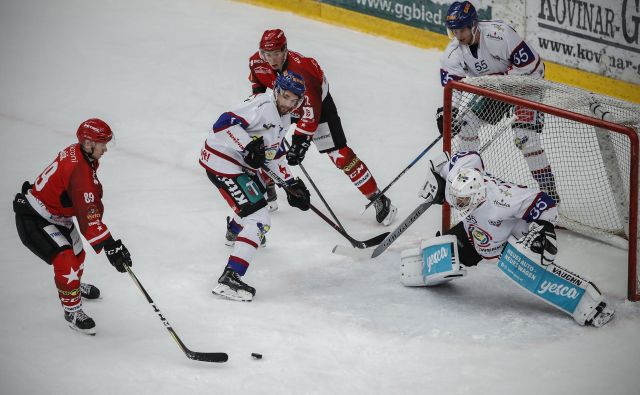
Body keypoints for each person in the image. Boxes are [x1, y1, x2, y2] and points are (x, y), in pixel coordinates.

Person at [398, 150, 614, 327]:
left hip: (508, 243)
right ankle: (422, 262)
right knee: (446, 253)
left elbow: (545, 203)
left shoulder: (503, 198)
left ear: (478, 194)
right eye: (457, 198)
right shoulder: (461, 175)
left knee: (531, 270)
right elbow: (464, 158)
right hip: (474, 234)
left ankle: (590, 304)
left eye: (463, 200)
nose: (458, 203)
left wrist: (545, 231)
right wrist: (437, 178)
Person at [248, 29, 397, 225]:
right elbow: (258, 84)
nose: (272, 59)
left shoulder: (304, 71)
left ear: (285, 50)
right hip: (282, 101)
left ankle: (378, 198)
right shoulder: (257, 62)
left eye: (276, 53)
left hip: (315, 104)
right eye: (268, 54)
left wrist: (299, 143)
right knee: (262, 141)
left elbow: (311, 113)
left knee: (340, 156)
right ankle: (267, 186)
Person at [13, 118, 133, 335]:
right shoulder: (79, 171)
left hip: (55, 215)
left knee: (78, 255)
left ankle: (74, 287)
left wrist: (108, 242)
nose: (105, 148)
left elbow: (84, 204)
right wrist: (111, 246)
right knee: (66, 260)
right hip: (35, 218)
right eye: (101, 143)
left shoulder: (79, 153)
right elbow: (88, 215)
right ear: (88, 144)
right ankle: (72, 310)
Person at [199, 71, 311, 302]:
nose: (289, 104)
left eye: (294, 100)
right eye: (286, 97)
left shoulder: (285, 118)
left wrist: (291, 184)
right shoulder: (262, 105)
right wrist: (249, 146)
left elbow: (272, 155)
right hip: (223, 161)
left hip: (237, 164)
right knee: (259, 217)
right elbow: (223, 124)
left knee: (256, 194)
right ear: (277, 91)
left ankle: (235, 231)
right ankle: (229, 279)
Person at [437, 1, 560, 202]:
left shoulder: (500, 34)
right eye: (454, 32)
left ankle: (550, 193)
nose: (458, 36)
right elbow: (454, 87)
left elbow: (533, 66)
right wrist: (450, 111)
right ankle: (469, 186)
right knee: (466, 125)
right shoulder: (453, 53)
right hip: (497, 89)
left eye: (461, 31)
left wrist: (501, 83)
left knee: (525, 137)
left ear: (474, 25)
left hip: (527, 85)